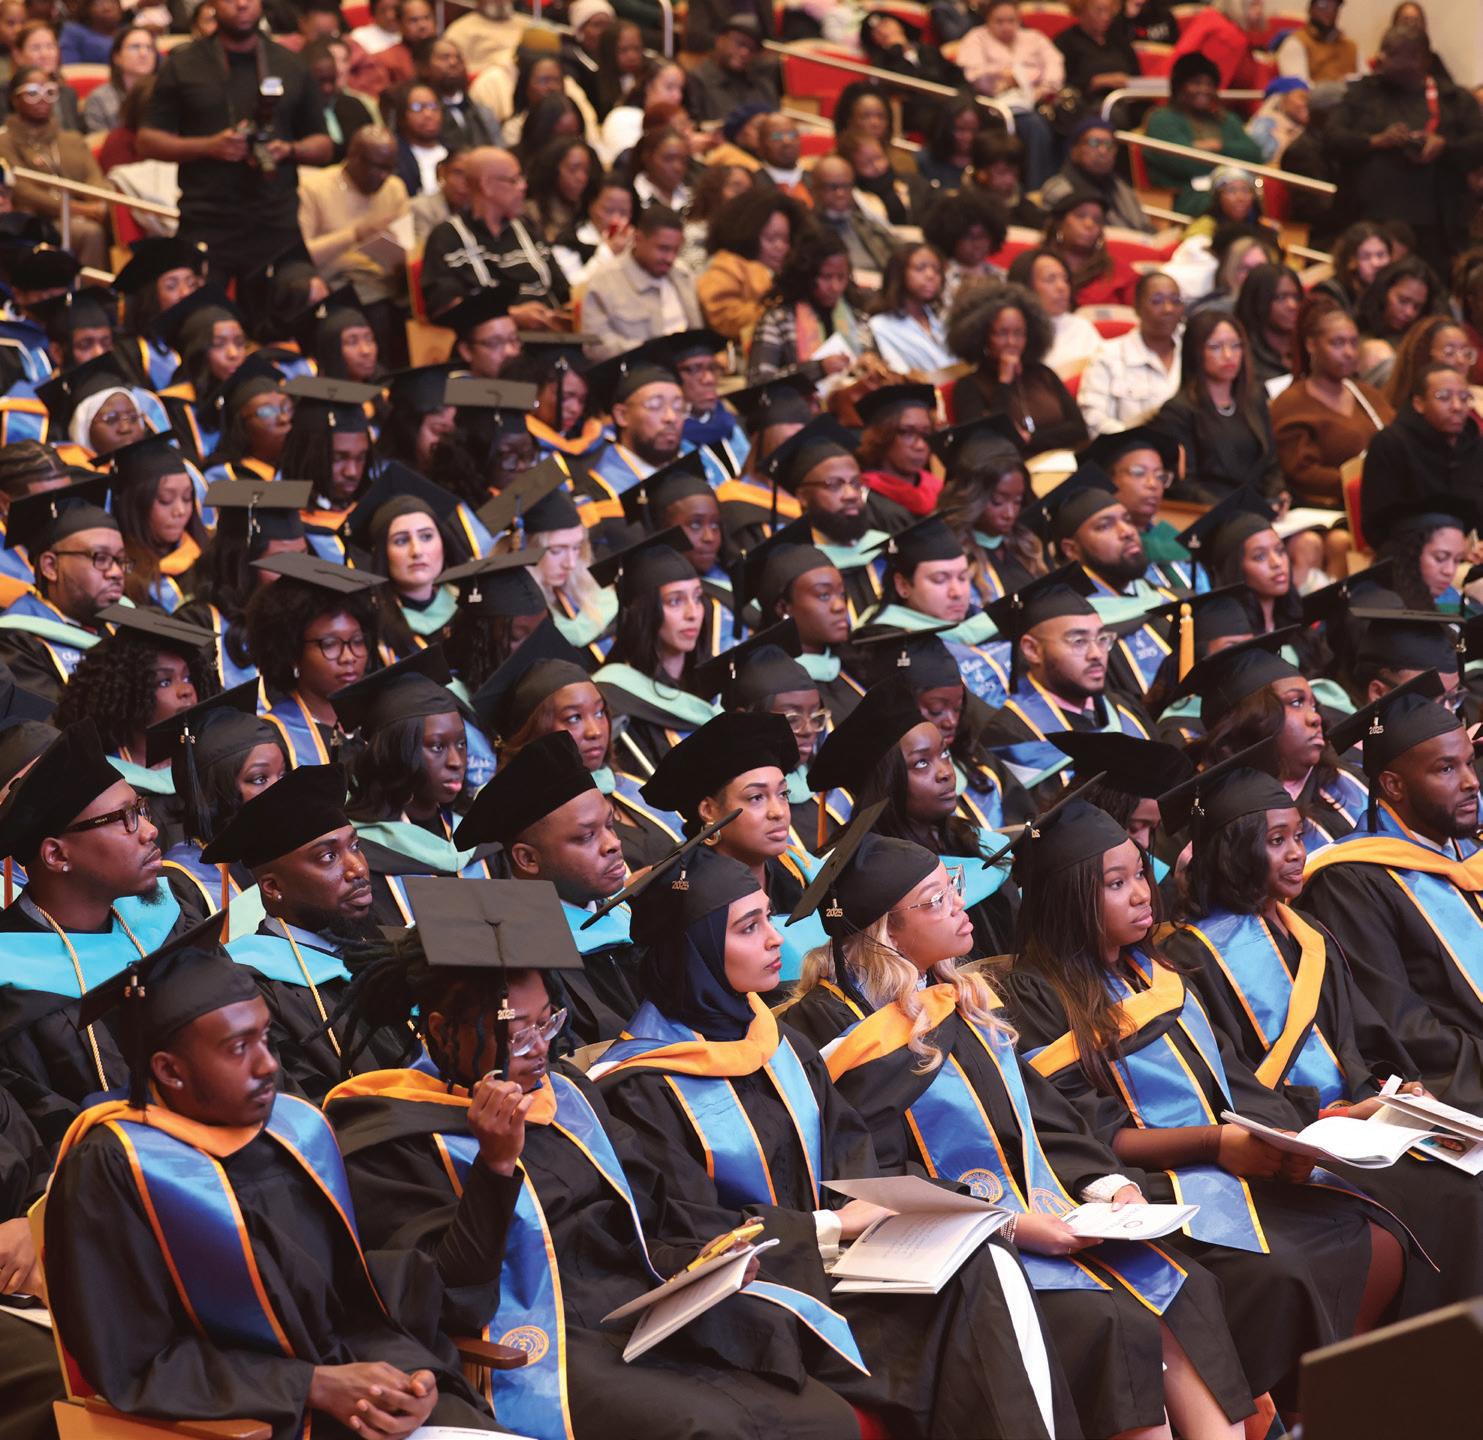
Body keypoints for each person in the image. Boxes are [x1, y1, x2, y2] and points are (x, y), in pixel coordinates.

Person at [325, 872, 860, 1440]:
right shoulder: (389, 1135)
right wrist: (495, 1168)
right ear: (441, 1030)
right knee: (710, 1429)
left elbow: (648, 1216)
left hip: (638, 1313)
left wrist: (703, 1260)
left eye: (548, 1022)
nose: (540, 1048)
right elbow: (445, 1298)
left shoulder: (568, 1096)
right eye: (517, 1033)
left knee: (822, 1417)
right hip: (543, 1344)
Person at [784, 813, 1256, 1440]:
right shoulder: (833, 1037)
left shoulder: (956, 995)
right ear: (885, 933)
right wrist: (1011, 1225)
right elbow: (877, 1180)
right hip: (964, 1260)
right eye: (936, 900)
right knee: (1111, 1323)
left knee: (1185, 1286)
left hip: (1047, 1221)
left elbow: (1044, 1116)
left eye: (952, 887)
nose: (960, 906)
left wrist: (1110, 1186)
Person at [594, 838, 1073, 1439]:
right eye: (749, 928)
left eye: (768, 918)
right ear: (693, 951)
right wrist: (831, 1226)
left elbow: (851, 1160)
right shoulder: (638, 1085)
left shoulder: (779, 1045)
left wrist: (890, 1212)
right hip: (754, 1297)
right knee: (967, 1311)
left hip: (841, 1267)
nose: (776, 939)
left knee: (982, 1263)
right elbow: (681, 1231)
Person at [1000, 795, 1409, 1408]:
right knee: (1283, 1272)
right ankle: (1289, 1411)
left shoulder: (1152, 969)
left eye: (1141, 874)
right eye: (1116, 884)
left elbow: (1231, 1077)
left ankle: (1337, 1401)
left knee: (1376, 1230)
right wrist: (1217, 1144)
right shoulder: (1035, 1000)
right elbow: (1090, 1134)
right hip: (1151, 1185)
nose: (1143, 894)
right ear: (1066, 899)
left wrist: (1305, 1131)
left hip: (1228, 1157)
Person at [44, 910, 498, 1436]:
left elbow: (353, 1304)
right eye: (239, 1048)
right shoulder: (116, 1166)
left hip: (356, 1395)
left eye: (265, 1038)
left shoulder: (295, 1130)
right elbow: (136, 1363)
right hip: (251, 1419)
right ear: (170, 1070)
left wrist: (412, 1378)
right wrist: (311, 1385)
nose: (268, 1066)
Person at [1165, 734, 1483, 1319]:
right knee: (1454, 1198)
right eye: (1276, 841)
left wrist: (1400, 1088)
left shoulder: (1310, 935)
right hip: (1292, 1142)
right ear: (1233, 851)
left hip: (1363, 1125)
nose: (1297, 853)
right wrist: (1328, 1116)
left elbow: (1364, 1038)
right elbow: (1226, 1076)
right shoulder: (1187, 959)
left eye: (1298, 836)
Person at [0, 720, 202, 1141]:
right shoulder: (11, 985)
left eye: (140, 809)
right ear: (57, 855)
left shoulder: (168, 915)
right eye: (124, 819)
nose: (150, 830)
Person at [1298, 675, 1483, 1109]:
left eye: (1469, 763)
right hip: (1454, 1086)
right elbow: (1401, 1027)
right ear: (1394, 785)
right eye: (1446, 769)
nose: (1471, 782)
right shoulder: (1350, 880)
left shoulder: (1465, 852)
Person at [451, 730, 643, 1041]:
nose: (613, 844)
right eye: (586, 836)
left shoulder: (633, 916)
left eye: (609, 825)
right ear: (527, 859)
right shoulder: (515, 964)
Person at [138, 0, 331, 289]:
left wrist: (289, 150)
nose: (242, 4)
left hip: (276, 222)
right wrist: (209, 146)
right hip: (207, 220)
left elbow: (324, 145)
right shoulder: (183, 64)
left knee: (308, 294)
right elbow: (147, 141)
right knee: (202, 312)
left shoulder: (290, 64)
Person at [978, 567, 1153, 796]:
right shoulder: (1011, 735)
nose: (1096, 654)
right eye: (1078, 641)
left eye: (1102, 638)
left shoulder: (1124, 708)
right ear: (1032, 650)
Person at [1328, 25, 1483, 276]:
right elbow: (1332, 137)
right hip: (1369, 219)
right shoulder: (1363, 93)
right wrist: (1375, 141)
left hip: (1437, 225)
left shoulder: (1454, 99)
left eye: (1392, 52)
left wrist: (1445, 145)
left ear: (1420, 58)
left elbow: (1478, 143)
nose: (1381, 57)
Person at [243, 552, 383, 768]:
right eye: (329, 644)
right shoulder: (273, 739)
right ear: (292, 653)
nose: (348, 657)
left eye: (357, 641)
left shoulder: (382, 722)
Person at [0, 475, 125, 704]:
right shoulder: (17, 645)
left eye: (121, 560)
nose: (116, 572)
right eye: (101, 558)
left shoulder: (129, 621)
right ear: (50, 567)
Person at [420, 145, 571, 325]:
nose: (523, 186)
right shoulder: (447, 236)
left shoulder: (527, 228)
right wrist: (513, 315)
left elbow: (564, 293)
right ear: (486, 185)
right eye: (514, 180)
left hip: (550, 332)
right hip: (493, 336)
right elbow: (446, 308)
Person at [297, 126, 411, 364]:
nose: (384, 176)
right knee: (372, 306)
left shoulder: (394, 187)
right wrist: (355, 234)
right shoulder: (315, 188)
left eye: (390, 168)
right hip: (334, 284)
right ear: (353, 157)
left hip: (385, 282)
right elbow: (300, 253)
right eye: (377, 167)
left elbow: (407, 248)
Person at [1270, 298, 1393, 509]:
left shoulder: (1368, 395)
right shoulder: (1291, 404)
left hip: (1383, 500)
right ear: (1311, 345)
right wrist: (1362, 483)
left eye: (1353, 343)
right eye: (1337, 343)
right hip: (1327, 507)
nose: (1348, 352)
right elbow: (1301, 473)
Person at [946, 280, 1089, 454]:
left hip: (1063, 460)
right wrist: (1004, 383)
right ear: (983, 336)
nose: (1012, 342)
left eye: (1019, 333)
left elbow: (1078, 429)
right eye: (1002, 333)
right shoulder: (969, 386)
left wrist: (1030, 439)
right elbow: (985, 443)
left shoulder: (1043, 373)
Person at [1152, 311, 1280, 501]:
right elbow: (1184, 484)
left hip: (1260, 506)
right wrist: (1232, 510)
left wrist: (1277, 496)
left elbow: (1271, 462)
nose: (1229, 355)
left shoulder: (1254, 398)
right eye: (1215, 347)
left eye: (1236, 346)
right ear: (1195, 352)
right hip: (1214, 509)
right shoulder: (1177, 412)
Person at [1360, 362, 1481, 541]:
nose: (1457, 406)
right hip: (1413, 548)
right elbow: (1379, 524)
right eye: (1444, 397)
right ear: (1419, 403)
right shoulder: (1391, 443)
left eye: (1464, 398)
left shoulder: (1476, 445)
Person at [0, 66, 107, 267]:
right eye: (33, 93)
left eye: (50, 92)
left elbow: (94, 177)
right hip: (38, 220)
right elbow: (22, 190)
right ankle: (86, 288)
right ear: (15, 99)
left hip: (83, 213)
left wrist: (99, 204)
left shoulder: (71, 139)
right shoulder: (5, 141)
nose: (42, 99)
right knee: (90, 232)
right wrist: (78, 209)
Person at [746, 223, 880, 382]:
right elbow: (758, 381)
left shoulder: (858, 319)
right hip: (801, 398)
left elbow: (876, 367)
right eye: (826, 277)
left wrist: (872, 366)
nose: (835, 287)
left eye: (841, 277)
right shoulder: (777, 321)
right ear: (807, 275)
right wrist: (817, 369)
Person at [1144, 53, 1263, 218]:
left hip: (1235, 192)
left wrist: (1218, 146)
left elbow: (1254, 155)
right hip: (1187, 197)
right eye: (1196, 83)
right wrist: (1231, 160)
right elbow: (1183, 162)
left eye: (1209, 84)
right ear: (1179, 86)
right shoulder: (1162, 119)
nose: (1204, 90)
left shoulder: (1226, 119)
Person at [956, 0, 1060, 187]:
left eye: (1011, 21)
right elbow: (975, 76)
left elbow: (1055, 65)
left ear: (1019, 20)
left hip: (1038, 98)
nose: (1006, 27)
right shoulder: (976, 38)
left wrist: (1040, 88)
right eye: (999, 21)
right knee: (1033, 125)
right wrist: (1004, 74)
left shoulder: (1034, 38)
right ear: (988, 20)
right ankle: (1037, 186)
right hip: (995, 105)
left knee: (1066, 121)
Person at [581, 205, 702, 362]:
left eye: (675, 250)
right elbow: (596, 347)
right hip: (636, 368)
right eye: (663, 249)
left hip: (691, 364)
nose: (670, 258)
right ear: (638, 239)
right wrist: (655, 354)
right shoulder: (604, 281)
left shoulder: (683, 275)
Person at [1078, 271, 1184, 436]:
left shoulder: (1196, 349)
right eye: (1157, 301)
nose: (1168, 309)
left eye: (1175, 301)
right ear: (1137, 307)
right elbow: (1093, 419)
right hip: (1133, 446)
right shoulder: (1108, 355)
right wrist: (1133, 441)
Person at [697, 187, 802, 343]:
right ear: (749, 235)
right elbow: (723, 317)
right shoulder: (727, 265)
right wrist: (778, 312)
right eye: (771, 238)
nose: (780, 247)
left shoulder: (792, 269)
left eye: (786, 240)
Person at [1041, 117, 1152, 235]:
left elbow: (1145, 227)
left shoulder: (1121, 188)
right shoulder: (1058, 190)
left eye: (1109, 144)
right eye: (1094, 143)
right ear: (1074, 150)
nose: (1103, 151)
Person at [1009, 249, 1102, 378]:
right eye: (1050, 279)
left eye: (1065, 279)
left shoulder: (1081, 326)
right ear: (1025, 287)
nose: (1062, 287)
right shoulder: (1012, 332)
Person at [867, 241, 955, 375]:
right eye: (920, 268)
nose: (931, 275)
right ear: (899, 273)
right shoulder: (881, 325)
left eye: (937, 270)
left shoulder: (941, 317)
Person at [805, 154, 895, 281]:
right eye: (832, 187)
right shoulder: (807, 230)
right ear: (814, 190)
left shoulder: (865, 222)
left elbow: (900, 251)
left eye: (846, 186)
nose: (840, 193)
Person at [686, 16, 777, 125]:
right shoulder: (695, 82)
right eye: (740, 43)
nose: (745, 52)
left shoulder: (762, 84)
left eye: (752, 49)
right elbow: (694, 129)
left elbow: (777, 128)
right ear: (720, 40)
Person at [1054, 0, 1139, 111]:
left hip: (1127, 102)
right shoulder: (1066, 42)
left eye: (1109, 10)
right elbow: (1062, 85)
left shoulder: (1119, 41)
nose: (1106, 16)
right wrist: (1098, 82)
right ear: (1082, 10)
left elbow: (1137, 77)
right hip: (1086, 106)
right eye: (1099, 10)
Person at [1232, 261, 1304, 385]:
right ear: (1259, 300)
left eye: (1296, 297)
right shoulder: (1242, 357)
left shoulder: (1309, 349)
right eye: (1281, 297)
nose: (1292, 305)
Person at [1170, 0, 1265, 89]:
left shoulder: (1211, 17)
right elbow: (1211, 89)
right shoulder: (1228, 36)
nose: (1260, 11)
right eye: (1254, 5)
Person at [79, 22, 154, 135]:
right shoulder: (99, 99)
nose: (144, 53)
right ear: (117, 57)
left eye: (150, 48)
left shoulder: (165, 94)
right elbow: (98, 142)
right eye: (135, 47)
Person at [1277, 0, 1356, 83]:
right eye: (1323, 5)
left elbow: (1365, 81)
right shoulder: (1295, 43)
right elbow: (1299, 87)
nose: (1329, 11)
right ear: (1310, 9)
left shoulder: (1350, 46)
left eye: (1334, 7)